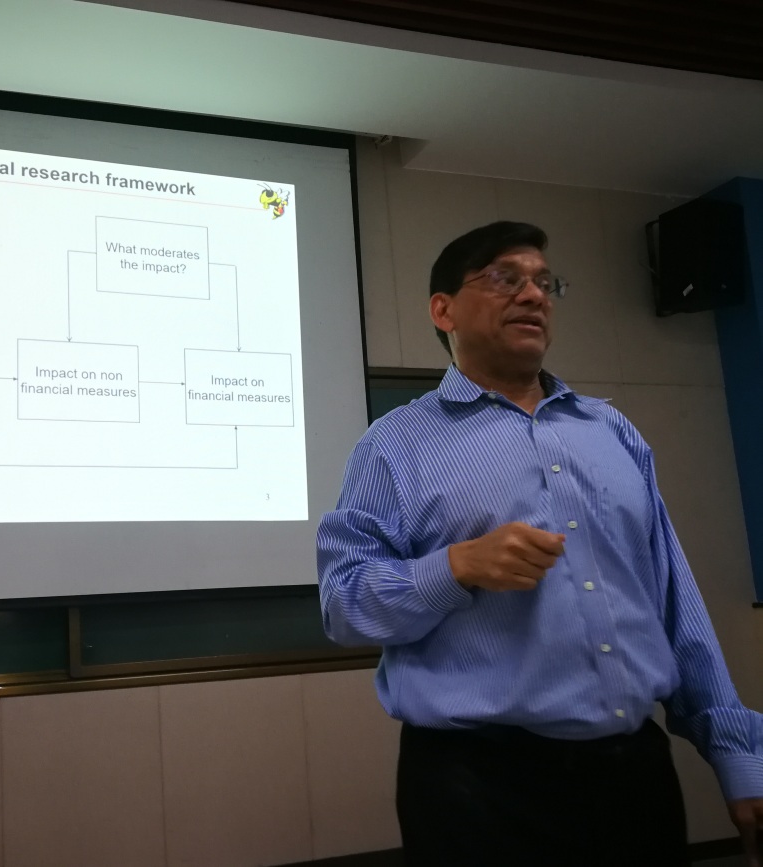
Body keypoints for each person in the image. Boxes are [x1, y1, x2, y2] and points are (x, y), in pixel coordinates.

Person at [316, 221, 763, 867]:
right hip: (478, 789)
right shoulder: (393, 446)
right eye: (504, 278)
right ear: (443, 310)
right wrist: (455, 567)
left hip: (634, 777)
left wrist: (737, 755)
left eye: (544, 282)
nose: (532, 295)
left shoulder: (611, 431)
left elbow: (672, 600)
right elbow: (342, 605)